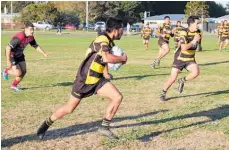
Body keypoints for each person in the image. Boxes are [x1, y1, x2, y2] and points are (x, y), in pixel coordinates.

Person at [37, 17, 127, 140]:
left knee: (117, 97)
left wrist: (105, 73)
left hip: (98, 80)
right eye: (122, 29)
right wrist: (122, 59)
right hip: (84, 80)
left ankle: (104, 127)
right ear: (115, 30)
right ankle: (45, 124)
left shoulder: (110, 42)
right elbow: (106, 58)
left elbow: (101, 59)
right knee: (69, 108)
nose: (123, 32)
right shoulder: (102, 40)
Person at [160, 16, 201, 101]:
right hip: (180, 58)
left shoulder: (199, 32)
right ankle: (163, 93)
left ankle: (182, 80)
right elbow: (183, 48)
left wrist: (198, 44)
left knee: (196, 72)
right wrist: (193, 41)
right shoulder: (183, 32)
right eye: (197, 23)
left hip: (190, 58)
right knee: (172, 78)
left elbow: (197, 45)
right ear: (191, 24)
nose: (198, 25)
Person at [2, 21, 48, 91]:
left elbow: (35, 46)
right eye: (30, 30)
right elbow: (8, 48)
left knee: (23, 71)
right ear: (26, 29)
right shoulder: (19, 37)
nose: (32, 31)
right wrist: (8, 61)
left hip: (20, 54)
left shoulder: (31, 37)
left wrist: (44, 53)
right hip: (12, 54)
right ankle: (5, 71)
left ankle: (14, 85)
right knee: (18, 73)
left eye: (33, 29)